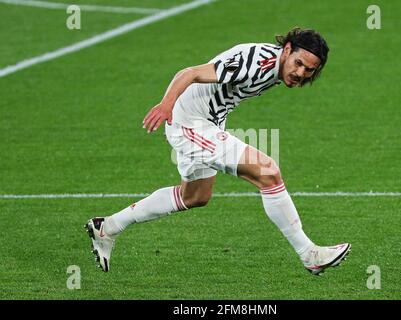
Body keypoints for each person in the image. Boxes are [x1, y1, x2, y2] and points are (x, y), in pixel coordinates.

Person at [85, 27, 351, 275]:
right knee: (267, 172)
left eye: (309, 70)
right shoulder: (255, 63)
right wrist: (166, 105)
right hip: (189, 123)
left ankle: (107, 227)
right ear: (287, 49)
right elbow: (189, 73)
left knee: (195, 196)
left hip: (207, 122)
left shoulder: (276, 69)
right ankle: (308, 253)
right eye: (299, 63)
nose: (301, 73)